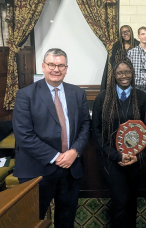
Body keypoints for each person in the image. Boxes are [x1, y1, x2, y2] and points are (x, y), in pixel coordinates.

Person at [12, 48, 90, 227]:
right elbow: (24, 135)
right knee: (32, 221)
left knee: (66, 218)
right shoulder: (25, 95)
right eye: (51, 65)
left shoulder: (77, 94)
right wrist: (56, 157)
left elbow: (85, 125)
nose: (56, 69)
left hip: (71, 168)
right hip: (37, 169)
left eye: (60, 65)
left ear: (66, 68)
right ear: (43, 66)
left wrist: (75, 151)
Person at [92, 57, 146, 227]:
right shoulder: (103, 98)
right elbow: (97, 132)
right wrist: (117, 155)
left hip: (135, 161)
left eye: (127, 72)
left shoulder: (141, 97)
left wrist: (137, 156)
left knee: (132, 201)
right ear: (114, 76)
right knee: (120, 202)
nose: (124, 76)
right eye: (119, 73)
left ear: (132, 73)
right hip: (112, 161)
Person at [101, 25, 139, 91]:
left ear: (131, 32)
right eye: (123, 32)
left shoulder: (137, 44)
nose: (125, 34)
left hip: (135, 76)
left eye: (127, 31)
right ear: (121, 34)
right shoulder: (117, 45)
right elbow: (112, 60)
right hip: (120, 76)